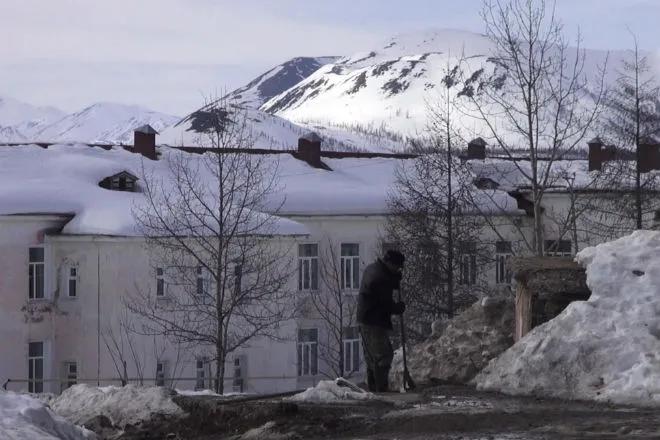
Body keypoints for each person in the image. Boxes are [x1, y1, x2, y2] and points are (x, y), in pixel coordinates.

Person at [357, 249, 406, 392]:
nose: (398, 269)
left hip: (365, 319)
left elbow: (386, 284)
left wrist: (394, 279)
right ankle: (381, 388)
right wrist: (398, 308)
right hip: (373, 322)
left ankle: (374, 388)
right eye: (397, 266)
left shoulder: (374, 269)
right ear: (390, 263)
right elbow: (386, 303)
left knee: (372, 356)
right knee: (383, 355)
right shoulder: (381, 278)